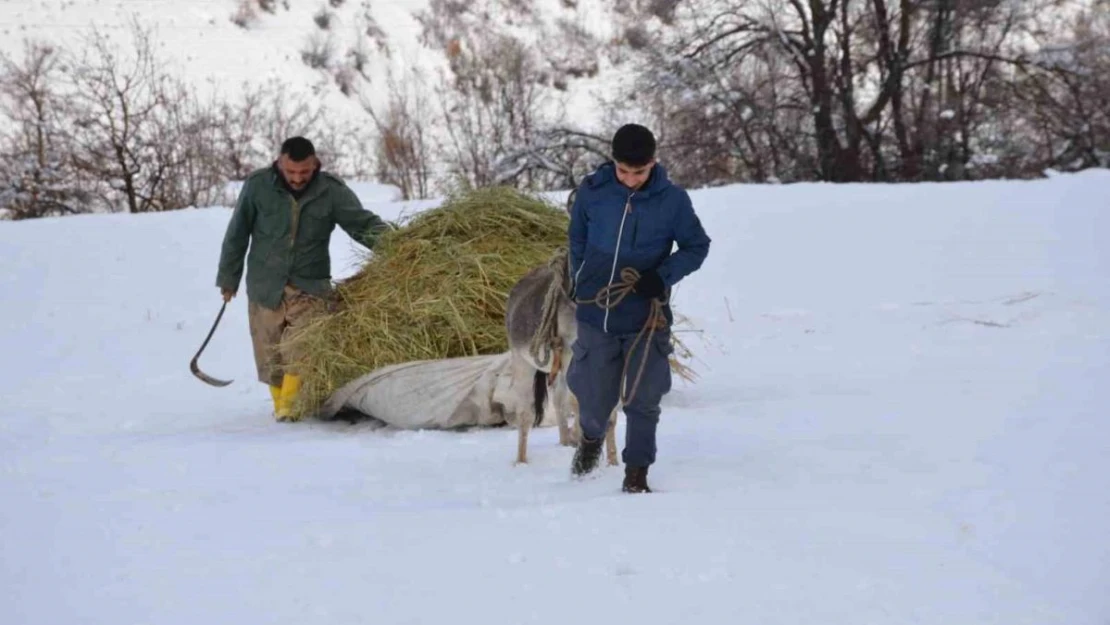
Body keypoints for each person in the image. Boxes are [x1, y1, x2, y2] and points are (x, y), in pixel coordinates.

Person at [566, 124, 711, 493]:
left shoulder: (673, 201)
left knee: (643, 401)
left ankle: (637, 473)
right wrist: (580, 278)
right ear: (613, 162)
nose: (631, 180)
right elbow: (577, 238)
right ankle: (591, 439)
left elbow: (697, 246)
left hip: (646, 316)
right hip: (596, 314)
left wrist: (661, 276)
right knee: (595, 402)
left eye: (639, 172)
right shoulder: (592, 193)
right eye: (624, 171)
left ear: (653, 164)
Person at [215, 137, 390, 421]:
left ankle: (289, 409)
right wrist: (228, 278)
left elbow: (362, 224)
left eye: (305, 173)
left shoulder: (331, 191)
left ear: (315, 165)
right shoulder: (258, 186)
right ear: (280, 163)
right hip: (265, 285)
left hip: (310, 286)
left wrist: (397, 245)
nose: (298, 179)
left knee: (301, 347)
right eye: (291, 172)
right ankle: (281, 405)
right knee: (269, 352)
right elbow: (237, 233)